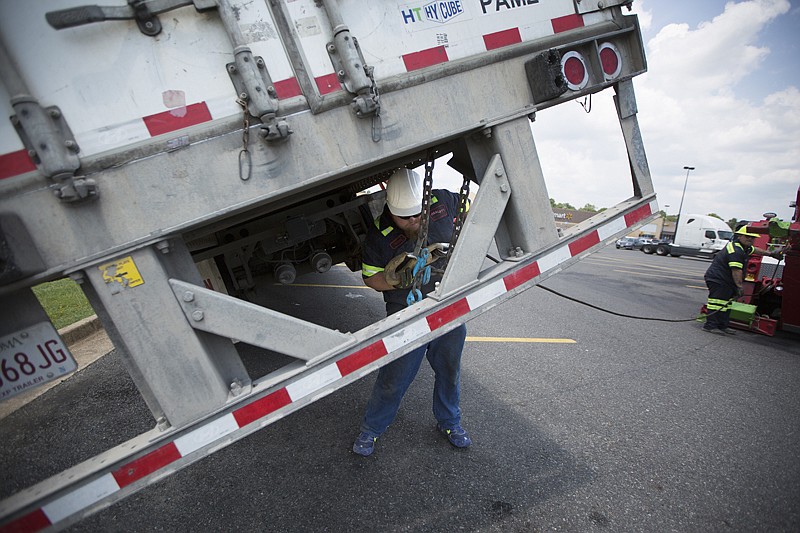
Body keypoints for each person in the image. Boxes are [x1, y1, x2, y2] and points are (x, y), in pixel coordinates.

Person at [352, 168, 471, 457]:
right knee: (395, 376)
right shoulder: (380, 234)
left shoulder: (444, 202)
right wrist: (392, 280)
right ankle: (371, 430)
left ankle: (450, 422)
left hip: (446, 306)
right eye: (404, 218)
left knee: (449, 371)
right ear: (390, 211)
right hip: (405, 313)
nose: (413, 221)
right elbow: (370, 277)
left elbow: (474, 209)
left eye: (417, 214)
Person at [702, 225, 783, 334]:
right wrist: (739, 287)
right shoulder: (736, 251)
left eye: (752, 237)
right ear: (739, 236)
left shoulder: (744, 247)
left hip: (726, 280)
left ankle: (722, 326)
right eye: (747, 236)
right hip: (719, 279)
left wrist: (772, 254)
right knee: (716, 303)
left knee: (726, 304)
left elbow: (756, 250)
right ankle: (710, 326)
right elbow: (736, 271)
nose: (750, 239)